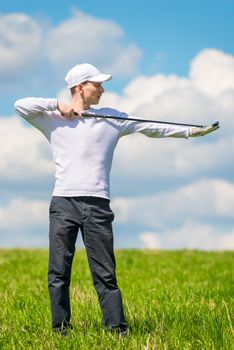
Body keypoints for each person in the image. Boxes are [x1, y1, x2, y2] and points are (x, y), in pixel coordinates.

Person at [14, 63, 219, 336]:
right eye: (97, 84)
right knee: (58, 272)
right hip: (63, 203)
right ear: (80, 87)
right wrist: (58, 105)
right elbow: (20, 105)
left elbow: (151, 126)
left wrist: (192, 132)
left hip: (98, 205)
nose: (102, 89)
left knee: (105, 274)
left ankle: (116, 330)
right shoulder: (51, 118)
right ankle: (60, 330)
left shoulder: (111, 118)